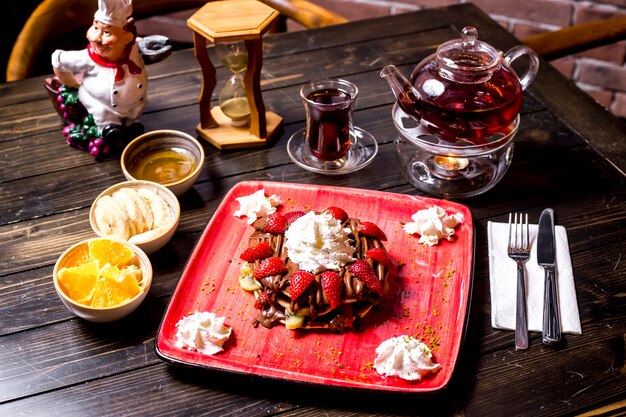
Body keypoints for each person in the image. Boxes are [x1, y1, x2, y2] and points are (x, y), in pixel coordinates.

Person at [51, 0, 149, 158]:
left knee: (135, 112)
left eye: (107, 32)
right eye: (95, 28)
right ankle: (109, 129)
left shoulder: (133, 49)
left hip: (135, 103)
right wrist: (71, 83)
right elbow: (58, 59)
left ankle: (133, 124)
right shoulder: (87, 58)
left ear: (127, 37)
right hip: (100, 104)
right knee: (102, 113)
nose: (96, 38)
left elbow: (143, 45)